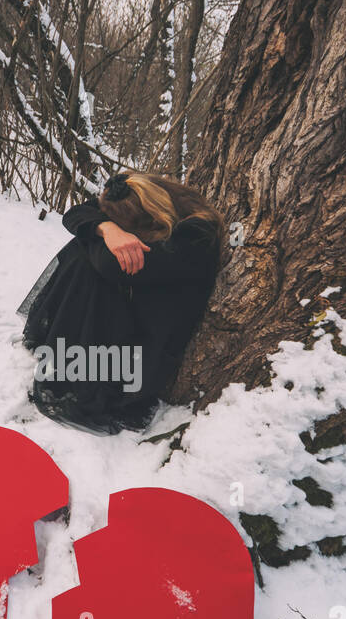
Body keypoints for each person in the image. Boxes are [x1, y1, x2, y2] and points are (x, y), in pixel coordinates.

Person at [19, 171, 224, 434]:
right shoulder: (146, 198)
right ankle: (62, 342)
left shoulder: (194, 237)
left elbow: (108, 265)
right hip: (133, 320)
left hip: (146, 351)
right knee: (85, 247)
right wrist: (107, 229)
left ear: (150, 218)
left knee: (86, 258)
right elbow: (76, 213)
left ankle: (76, 361)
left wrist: (100, 233)